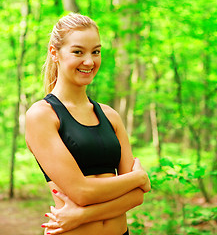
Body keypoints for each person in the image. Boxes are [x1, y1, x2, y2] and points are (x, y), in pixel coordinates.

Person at [25, 13, 151, 235]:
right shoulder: (42, 115)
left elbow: (137, 195)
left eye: (96, 51)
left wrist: (81, 216)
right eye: (78, 52)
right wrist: (137, 177)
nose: (89, 61)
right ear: (55, 53)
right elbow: (81, 191)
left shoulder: (110, 116)